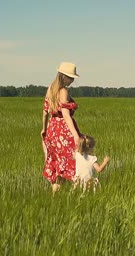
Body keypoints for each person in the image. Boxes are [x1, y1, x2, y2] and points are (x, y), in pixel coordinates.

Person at [41, 62, 81, 193]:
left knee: (58, 166)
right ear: (64, 77)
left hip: (52, 129)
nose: (72, 80)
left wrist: (44, 129)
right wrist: (75, 134)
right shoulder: (63, 91)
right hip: (63, 132)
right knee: (76, 163)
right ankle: (78, 196)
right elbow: (66, 114)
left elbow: (45, 111)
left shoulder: (50, 88)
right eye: (71, 77)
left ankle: (55, 199)